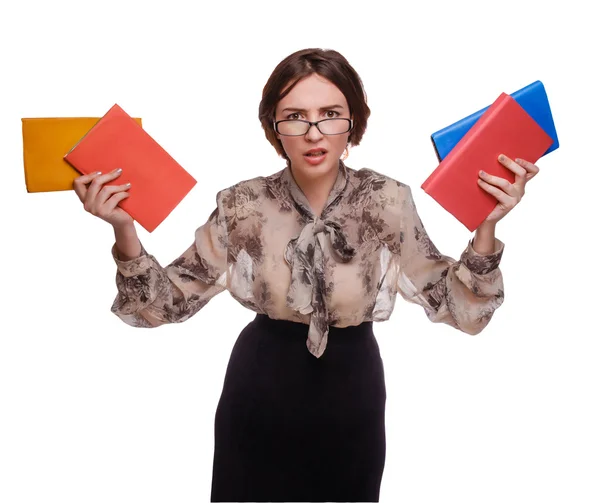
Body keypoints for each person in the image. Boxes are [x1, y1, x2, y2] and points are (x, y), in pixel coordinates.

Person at [73, 48, 540, 502]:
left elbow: (462, 311)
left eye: (331, 113)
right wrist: (123, 229)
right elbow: (162, 305)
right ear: (274, 128)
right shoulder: (243, 204)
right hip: (260, 390)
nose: (314, 132)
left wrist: (488, 223)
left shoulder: (386, 200)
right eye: (295, 116)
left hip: (351, 394)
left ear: (353, 122)